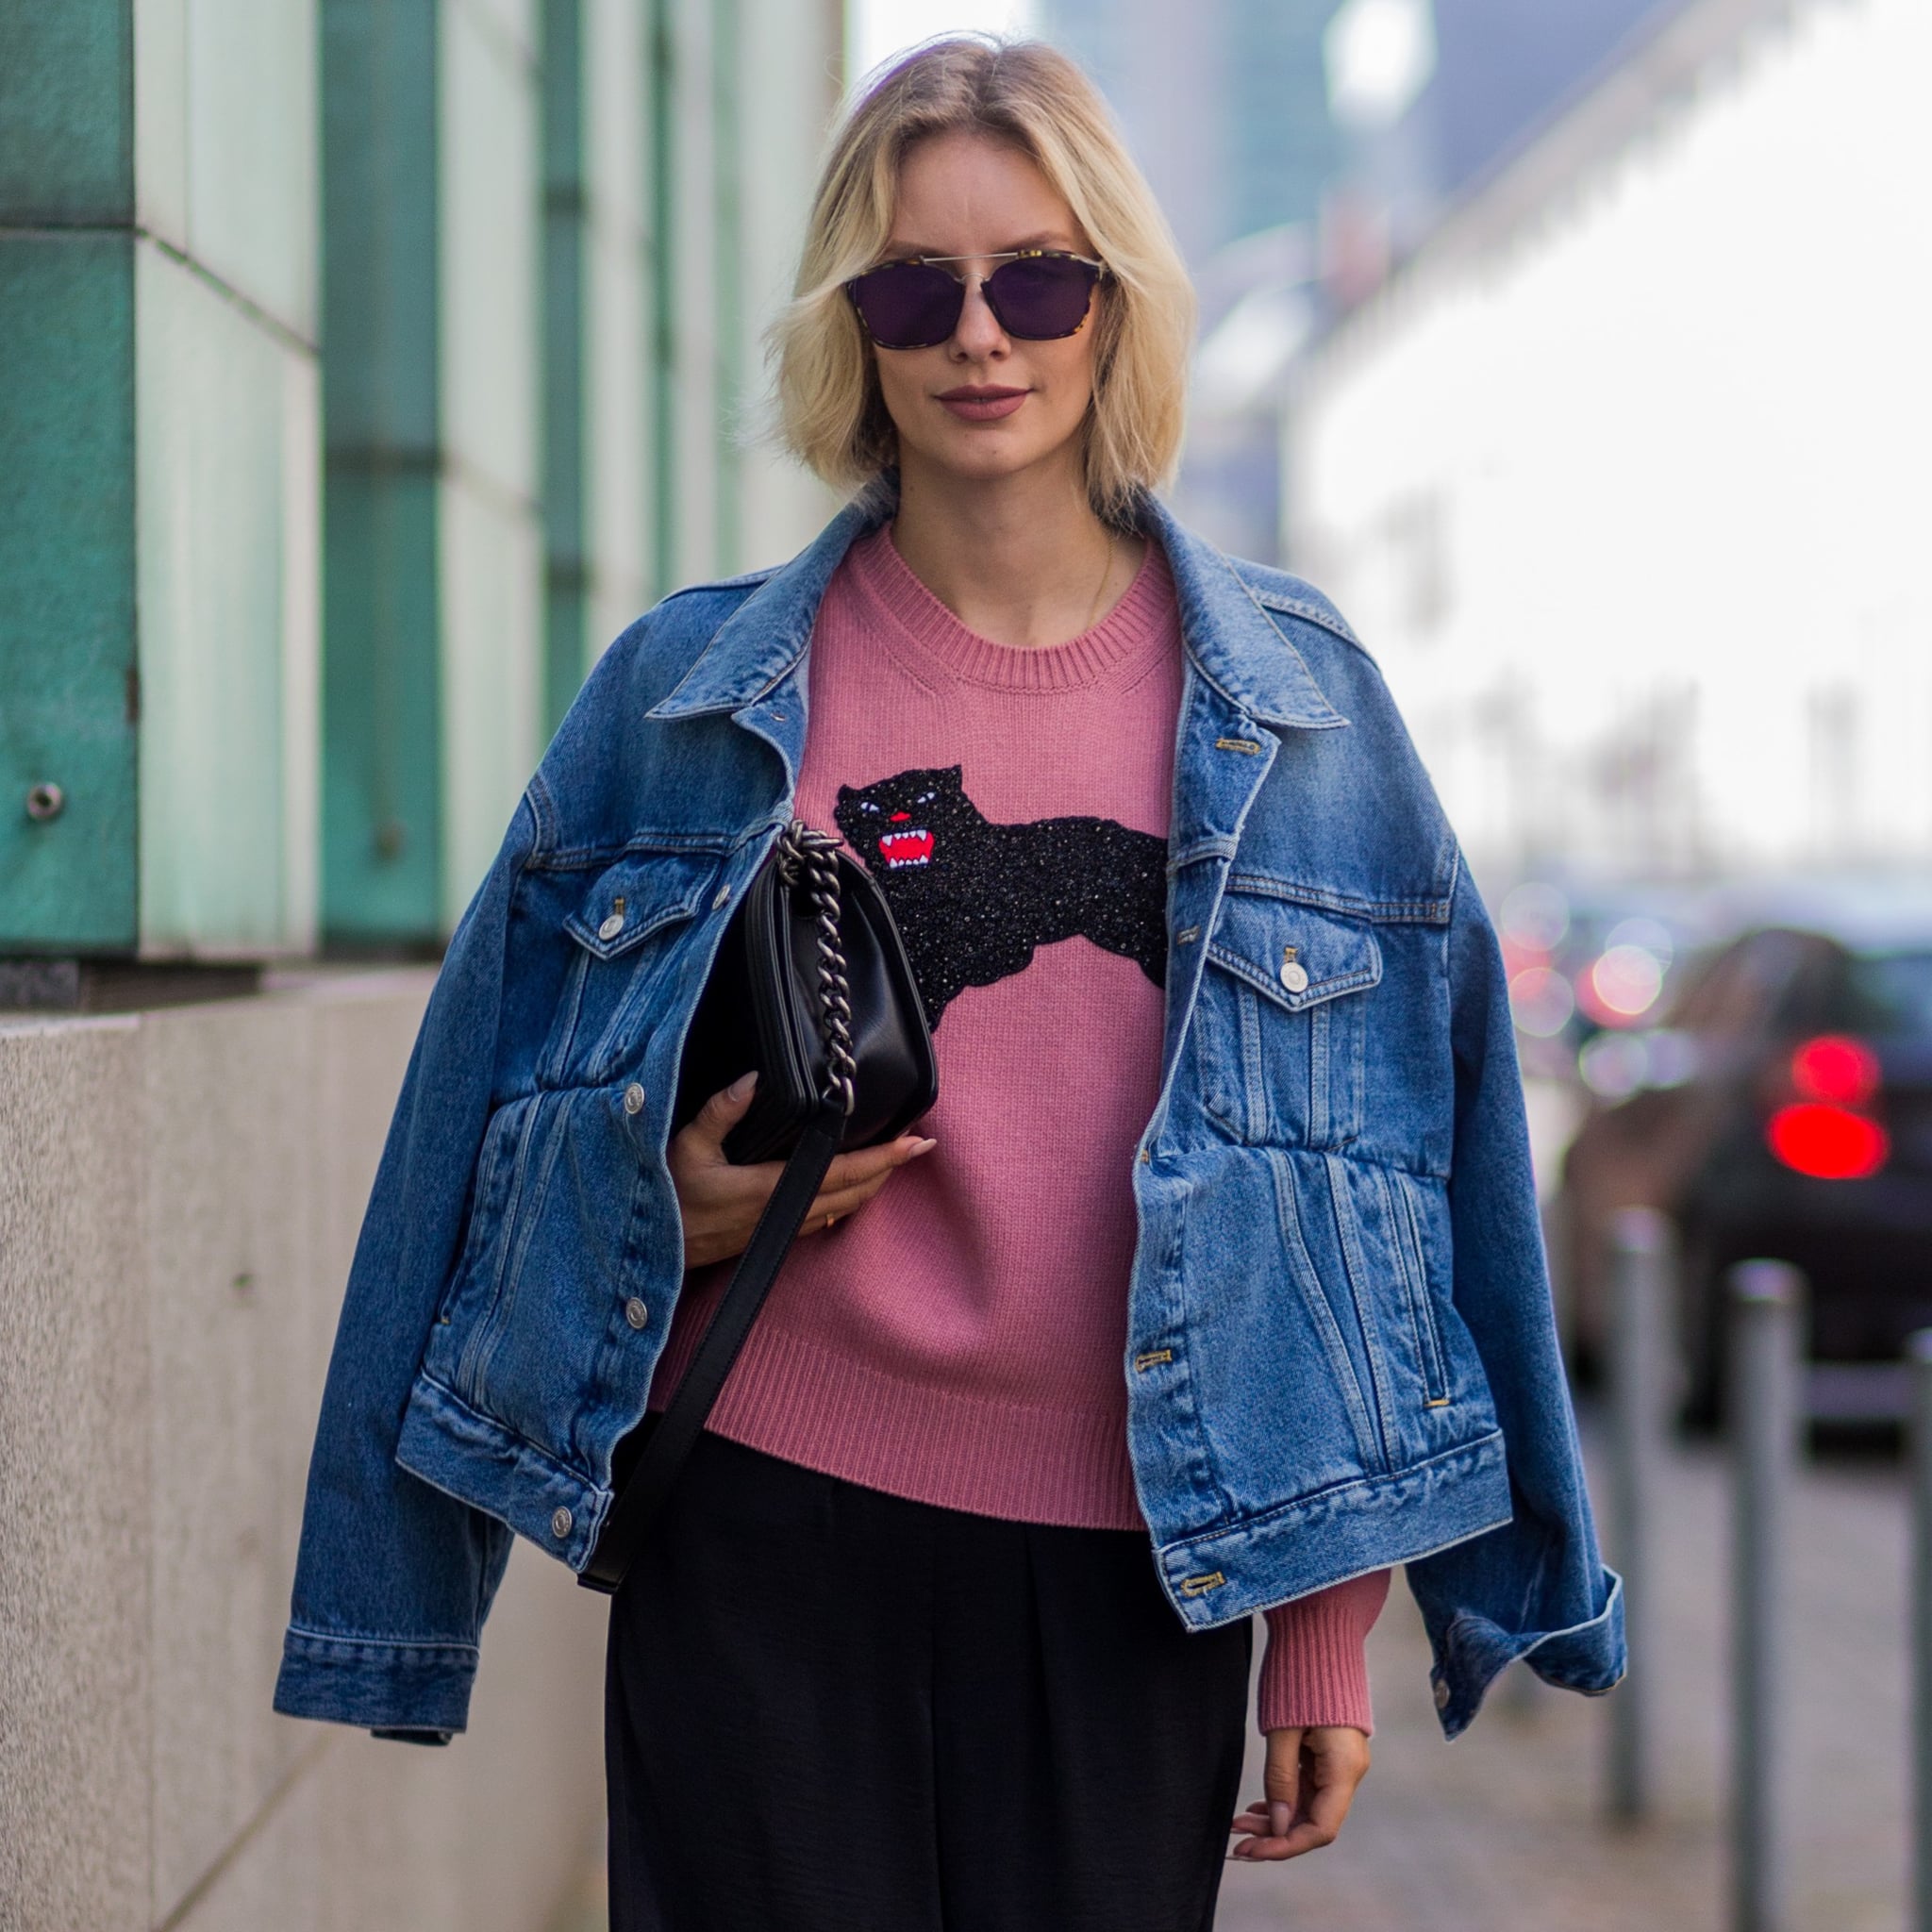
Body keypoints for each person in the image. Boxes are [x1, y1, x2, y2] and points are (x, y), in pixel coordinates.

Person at [274, 34, 1624, 1932]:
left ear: (1112, 308)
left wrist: (1323, 1635)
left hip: (1134, 1569)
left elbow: (1386, 1193)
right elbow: (471, 1136)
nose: (981, 336)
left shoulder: (1299, 711)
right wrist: (657, 1209)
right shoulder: (687, 694)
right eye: (919, 286)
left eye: (1038, 280)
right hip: (762, 1528)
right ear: (858, 326)